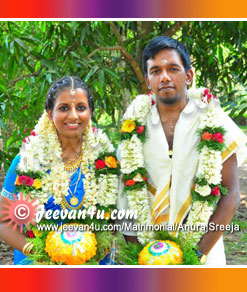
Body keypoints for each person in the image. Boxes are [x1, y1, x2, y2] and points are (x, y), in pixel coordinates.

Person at [117, 36, 247, 265]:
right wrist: (138, 255)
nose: (164, 77)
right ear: (148, 80)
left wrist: (197, 254)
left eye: (173, 69)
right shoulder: (133, 126)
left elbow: (232, 195)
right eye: (156, 71)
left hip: (204, 252)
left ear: (188, 76)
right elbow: (125, 197)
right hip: (147, 253)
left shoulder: (214, 120)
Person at [0, 76, 118, 265]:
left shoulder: (106, 162)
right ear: (49, 113)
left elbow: (113, 220)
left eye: (81, 108)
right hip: (39, 267)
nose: (73, 116)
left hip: (92, 267)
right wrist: (44, 254)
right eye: (64, 108)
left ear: (90, 112)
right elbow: (3, 222)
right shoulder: (27, 160)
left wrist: (93, 252)